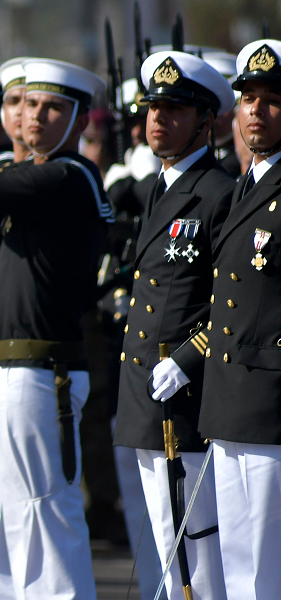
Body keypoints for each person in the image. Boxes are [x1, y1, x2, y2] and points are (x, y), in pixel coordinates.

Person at [0, 58, 112, 599]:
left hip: (40, 372)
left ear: (79, 123)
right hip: (7, 367)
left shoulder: (65, 176)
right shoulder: (31, 180)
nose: (35, 117)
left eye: (54, 108)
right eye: (29, 104)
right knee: (9, 513)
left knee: (44, 512)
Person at [113, 50, 235, 600]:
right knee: (169, 543)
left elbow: (234, 300)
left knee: (196, 550)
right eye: (153, 108)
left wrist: (188, 360)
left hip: (183, 404)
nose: (158, 120)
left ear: (206, 121)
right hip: (147, 398)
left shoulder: (217, 192)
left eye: (176, 110)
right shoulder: (162, 188)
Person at [201, 38, 281, 600]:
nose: (256, 109)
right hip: (229, 401)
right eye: (248, 97)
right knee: (238, 565)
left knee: (264, 570)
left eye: (273, 98)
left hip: (270, 404)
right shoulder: (245, 187)